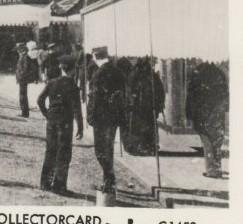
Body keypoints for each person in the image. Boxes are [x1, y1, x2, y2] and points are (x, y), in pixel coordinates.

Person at [37, 55, 84, 194]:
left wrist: (47, 114)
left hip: (52, 121)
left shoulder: (51, 82)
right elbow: (77, 110)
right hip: (65, 123)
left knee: (50, 151)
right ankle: (59, 185)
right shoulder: (73, 86)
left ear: (61, 68)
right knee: (64, 153)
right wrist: (80, 127)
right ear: (72, 70)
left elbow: (40, 100)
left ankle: (45, 183)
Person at [86, 46, 126, 196]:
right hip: (114, 117)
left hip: (101, 118)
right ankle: (108, 181)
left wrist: (90, 117)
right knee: (108, 149)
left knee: (100, 150)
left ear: (96, 56)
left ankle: (109, 180)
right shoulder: (117, 72)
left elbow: (94, 99)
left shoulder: (98, 74)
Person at [185, 62, 229, 179]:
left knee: (207, 140)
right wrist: (226, 107)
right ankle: (217, 167)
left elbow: (191, 95)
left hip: (202, 113)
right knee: (216, 141)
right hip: (217, 112)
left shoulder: (197, 72)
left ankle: (211, 169)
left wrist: (189, 113)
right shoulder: (220, 73)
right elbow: (226, 94)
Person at [122, 57, 165, 156]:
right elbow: (129, 91)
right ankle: (145, 146)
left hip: (143, 107)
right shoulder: (144, 75)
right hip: (142, 107)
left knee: (143, 127)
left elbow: (159, 91)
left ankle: (144, 146)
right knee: (145, 127)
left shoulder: (146, 75)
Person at [15, 43, 35, 118]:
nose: (18, 51)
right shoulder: (23, 56)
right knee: (22, 95)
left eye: (18, 49)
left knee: (23, 96)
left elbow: (26, 68)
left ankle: (25, 113)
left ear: (22, 49)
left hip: (23, 79)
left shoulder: (25, 57)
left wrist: (21, 75)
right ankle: (24, 112)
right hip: (21, 79)